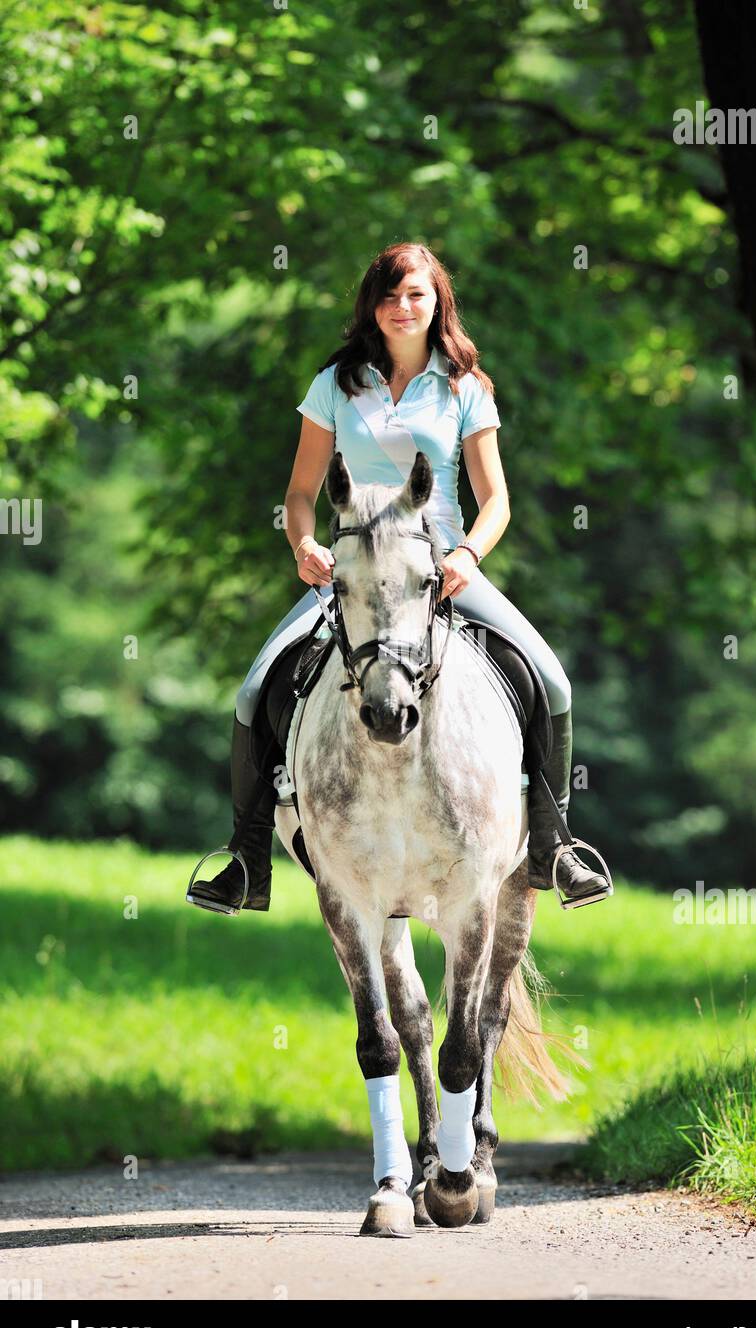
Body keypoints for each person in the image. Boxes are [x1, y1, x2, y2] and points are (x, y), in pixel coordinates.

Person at [187, 242, 611, 914]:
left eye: (415, 294)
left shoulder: (465, 387)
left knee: (551, 680)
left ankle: (554, 847)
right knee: (252, 690)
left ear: (436, 299)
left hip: (439, 561)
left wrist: (467, 554)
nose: (402, 308)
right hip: (352, 565)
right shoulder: (334, 384)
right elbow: (299, 492)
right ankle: (246, 856)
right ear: (372, 306)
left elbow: (495, 498)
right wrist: (302, 543)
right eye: (389, 296)